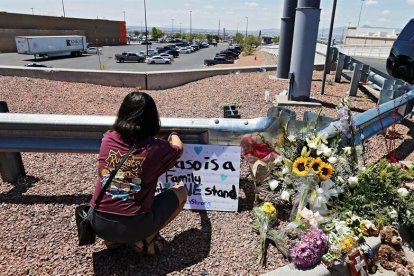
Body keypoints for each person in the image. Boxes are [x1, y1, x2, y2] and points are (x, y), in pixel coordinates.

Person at [88, 91, 187, 255]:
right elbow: (178, 149)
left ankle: (112, 241)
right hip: (131, 226)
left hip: (98, 222)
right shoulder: (155, 149)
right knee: (181, 192)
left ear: (122, 114)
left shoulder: (108, 138)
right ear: (153, 119)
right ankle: (144, 240)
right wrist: (174, 134)